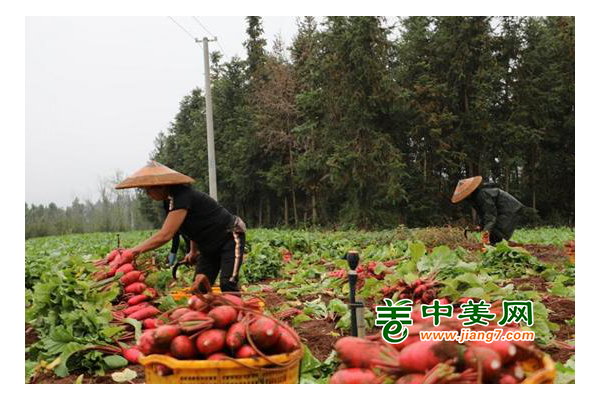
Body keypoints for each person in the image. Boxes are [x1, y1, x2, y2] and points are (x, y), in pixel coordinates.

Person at [116, 161, 247, 292]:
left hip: (230, 236)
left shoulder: (182, 196)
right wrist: (193, 251)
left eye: (148, 189)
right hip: (208, 246)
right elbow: (193, 227)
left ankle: (242, 311)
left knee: (228, 285)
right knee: (199, 289)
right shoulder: (169, 202)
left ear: (160, 186)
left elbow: (165, 234)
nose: (147, 194)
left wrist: (134, 251)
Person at [451, 176, 524, 245]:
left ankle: (508, 249)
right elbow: (483, 213)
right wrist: (481, 225)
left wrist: (486, 232)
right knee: (493, 235)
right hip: (502, 211)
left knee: (498, 234)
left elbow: (490, 215)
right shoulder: (475, 198)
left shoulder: (482, 195)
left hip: (510, 209)